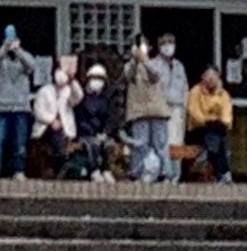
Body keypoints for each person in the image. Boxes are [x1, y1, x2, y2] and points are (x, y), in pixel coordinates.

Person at [123, 38, 182, 184]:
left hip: (157, 110)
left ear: (149, 48)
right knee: (139, 143)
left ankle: (165, 174)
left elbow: (154, 76)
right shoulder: (129, 66)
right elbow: (129, 76)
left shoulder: (156, 63)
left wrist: (144, 61)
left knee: (160, 144)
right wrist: (135, 61)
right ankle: (137, 173)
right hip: (138, 111)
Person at [0, 27, 38, 178]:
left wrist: (18, 50)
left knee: (20, 142)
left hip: (21, 107)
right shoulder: (0, 59)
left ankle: (19, 170)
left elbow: (31, 66)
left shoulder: (24, 57)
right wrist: (4, 48)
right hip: (2, 107)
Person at [185, 56, 236, 181]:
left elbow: (227, 115)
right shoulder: (195, 91)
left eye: (214, 76)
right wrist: (207, 120)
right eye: (208, 75)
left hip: (216, 128)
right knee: (215, 137)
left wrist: (220, 122)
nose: (211, 79)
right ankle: (223, 172)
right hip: (198, 129)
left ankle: (208, 156)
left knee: (215, 134)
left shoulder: (223, 94)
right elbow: (193, 111)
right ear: (202, 77)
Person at [34, 51, 80, 178]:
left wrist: (72, 80)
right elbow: (38, 111)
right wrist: (51, 121)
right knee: (55, 136)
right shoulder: (44, 91)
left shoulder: (68, 90)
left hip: (65, 130)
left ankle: (62, 168)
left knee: (63, 139)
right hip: (46, 129)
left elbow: (78, 98)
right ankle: (59, 167)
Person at [73, 60, 121, 179]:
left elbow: (111, 118)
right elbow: (80, 119)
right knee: (92, 144)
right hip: (86, 133)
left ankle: (106, 170)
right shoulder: (82, 98)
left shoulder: (107, 99)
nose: (97, 81)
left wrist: (104, 133)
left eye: (100, 78)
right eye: (94, 78)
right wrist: (92, 134)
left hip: (102, 133)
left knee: (108, 145)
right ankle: (93, 170)